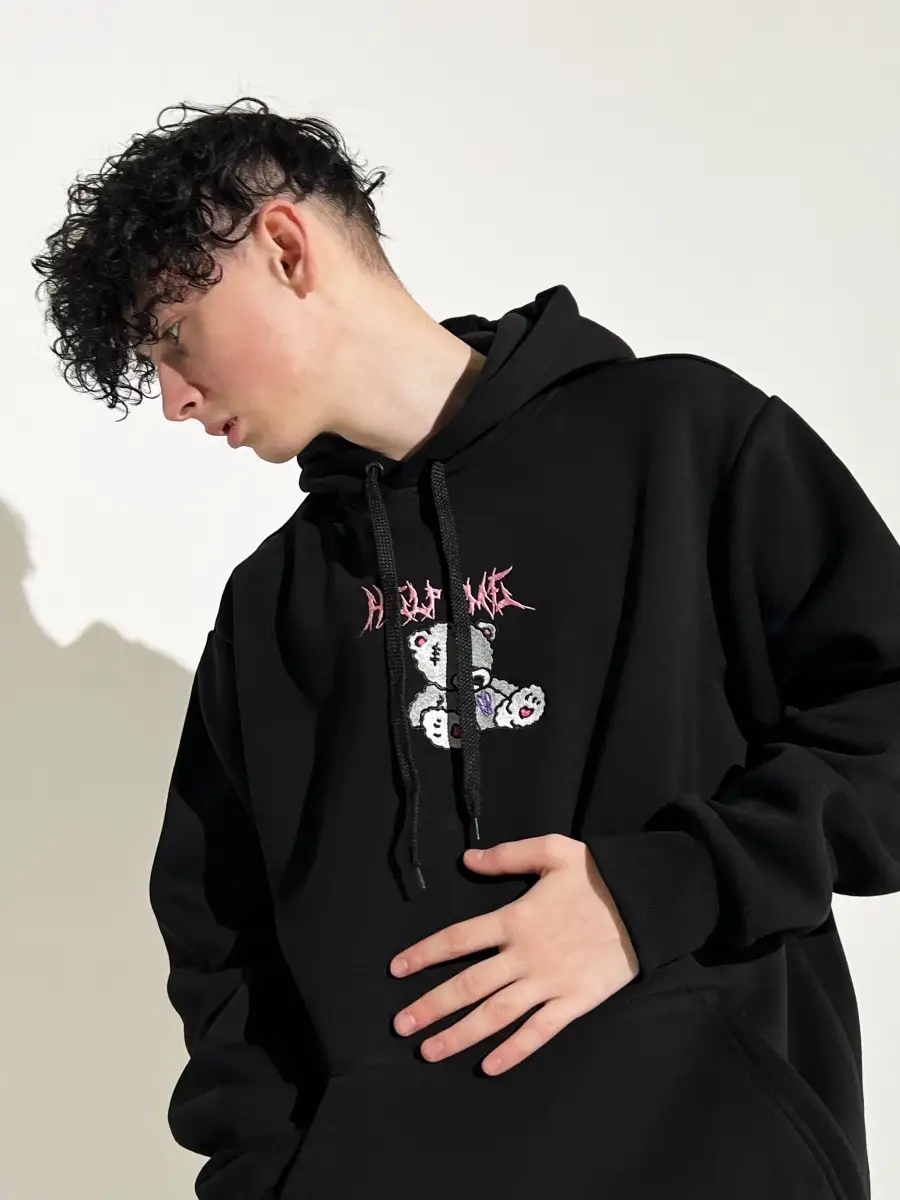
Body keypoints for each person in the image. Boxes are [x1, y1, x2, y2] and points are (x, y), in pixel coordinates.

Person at [31, 96, 900, 1200]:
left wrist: (656, 891)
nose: (172, 399)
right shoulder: (273, 609)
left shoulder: (685, 444)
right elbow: (222, 956)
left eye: (174, 339)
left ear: (286, 249)